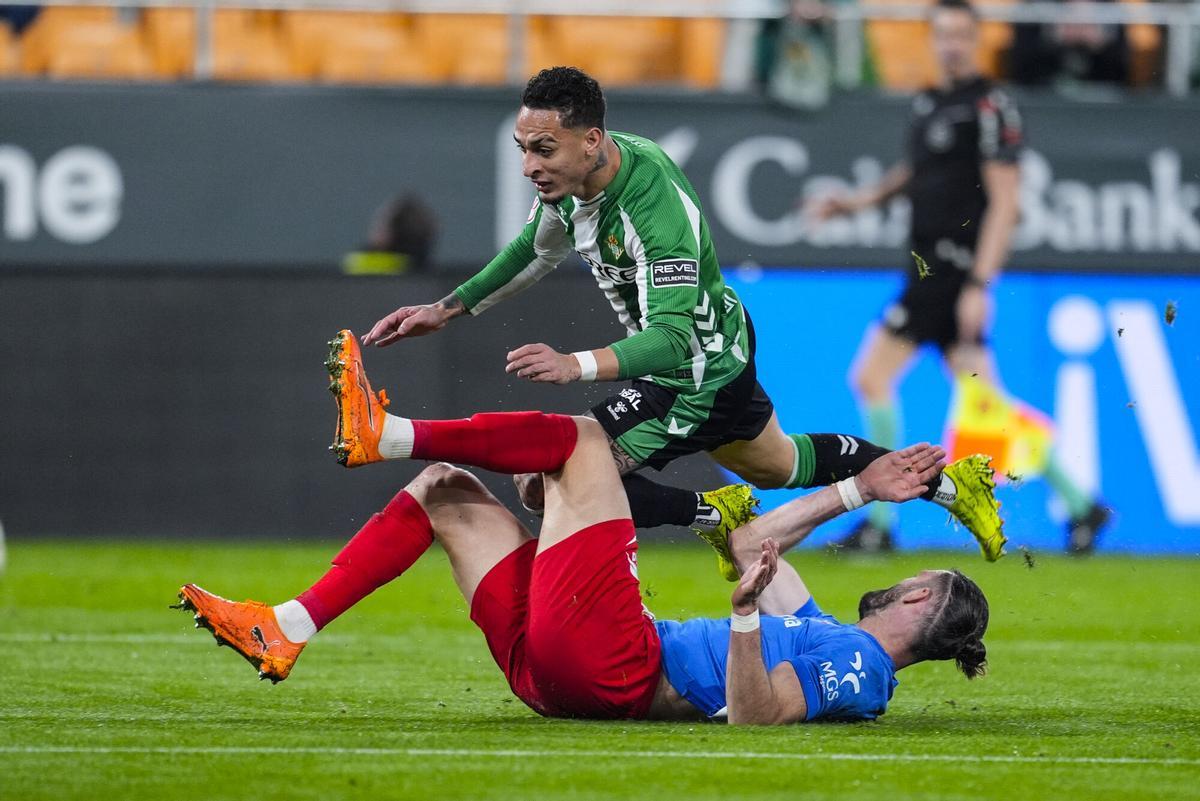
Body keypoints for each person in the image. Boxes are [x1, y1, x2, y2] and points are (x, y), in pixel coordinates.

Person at [353, 66, 1006, 570]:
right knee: (777, 465)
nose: (530, 165)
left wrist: (574, 364)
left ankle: (711, 515)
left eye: (543, 149)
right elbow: (533, 249)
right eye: (524, 148)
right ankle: (952, 487)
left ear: (591, 140)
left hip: (695, 366)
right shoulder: (572, 183)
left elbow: (671, 339)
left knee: (552, 480)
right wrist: (444, 308)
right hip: (717, 343)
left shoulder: (649, 207)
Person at [175, 332, 989, 725]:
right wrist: (858, 486)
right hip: (558, 671)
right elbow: (749, 543)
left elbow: (759, 715)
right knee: (444, 492)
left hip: (616, 666)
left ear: (923, 602)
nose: (909, 580)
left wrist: (743, 617)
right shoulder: (821, 630)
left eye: (924, 582)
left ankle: (387, 433)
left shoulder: (860, 668)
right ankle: (285, 627)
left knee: (582, 444)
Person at [807, 0, 1109, 554]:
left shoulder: (990, 106)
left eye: (961, 35)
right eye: (942, 35)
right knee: (985, 403)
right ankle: (1084, 505)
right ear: (932, 38)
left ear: (977, 39)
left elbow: (1005, 202)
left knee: (873, 378)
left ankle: (877, 526)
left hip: (950, 272)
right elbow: (916, 175)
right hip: (929, 266)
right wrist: (854, 204)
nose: (951, 45)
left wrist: (979, 284)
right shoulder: (929, 103)